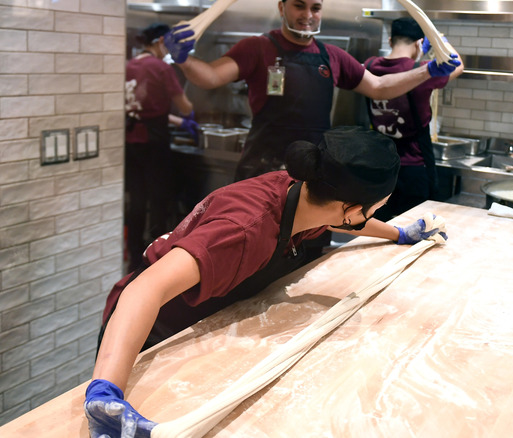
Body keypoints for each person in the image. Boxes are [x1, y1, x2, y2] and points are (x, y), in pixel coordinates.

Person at [84, 127, 447, 437]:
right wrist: (106, 392)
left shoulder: (306, 191)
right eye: (375, 209)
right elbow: (145, 288)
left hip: (202, 319)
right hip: (150, 331)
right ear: (353, 208)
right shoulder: (245, 230)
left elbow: (338, 219)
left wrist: (398, 233)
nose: (372, 215)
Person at [162, 0, 461, 182]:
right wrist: (184, 60)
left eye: (315, 7)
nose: (308, 14)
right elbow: (212, 77)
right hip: (262, 168)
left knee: (307, 255)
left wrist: (428, 71)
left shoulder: (331, 55)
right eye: (299, 5)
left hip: (314, 172)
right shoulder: (257, 47)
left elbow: (379, 87)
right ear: (282, 7)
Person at [364, 17, 464, 221]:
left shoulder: (369, 65)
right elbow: (458, 65)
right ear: (420, 43)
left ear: (390, 41)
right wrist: (440, 40)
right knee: (415, 228)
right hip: (414, 168)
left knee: (379, 230)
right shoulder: (423, 71)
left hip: (379, 167)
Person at [125, 23, 199, 272]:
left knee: (136, 201)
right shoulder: (160, 67)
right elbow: (186, 105)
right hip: (154, 143)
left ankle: (134, 257)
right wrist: (187, 115)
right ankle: (153, 258)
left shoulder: (128, 65)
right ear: (159, 42)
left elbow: (140, 109)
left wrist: (178, 121)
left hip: (130, 141)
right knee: (159, 199)